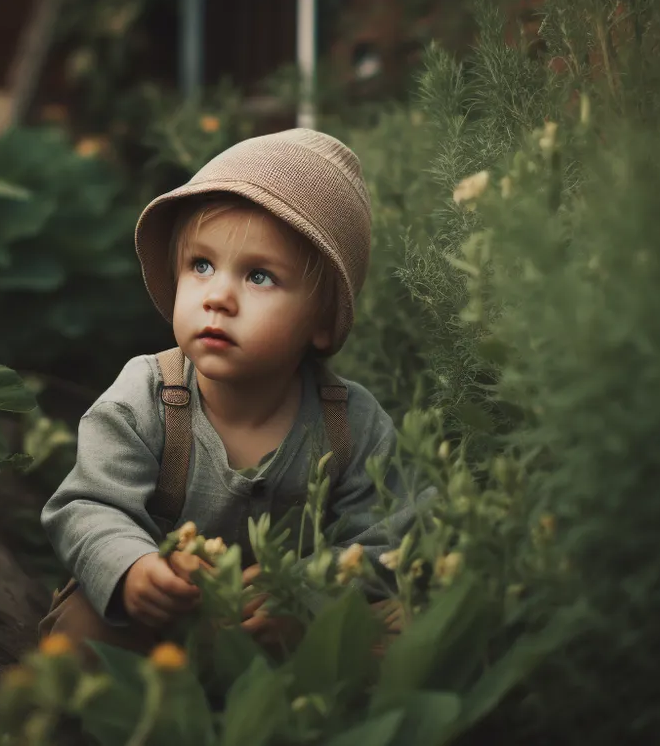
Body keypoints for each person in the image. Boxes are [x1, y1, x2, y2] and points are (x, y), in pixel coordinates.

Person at [38, 128, 412, 656]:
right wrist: (134, 570)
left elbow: (384, 540)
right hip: (164, 622)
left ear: (323, 322)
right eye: (202, 266)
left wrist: (305, 594)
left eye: (259, 276)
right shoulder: (148, 394)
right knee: (85, 631)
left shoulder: (351, 426)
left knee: (397, 633)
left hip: (280, 634)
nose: (218, 297)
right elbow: (87, 504)